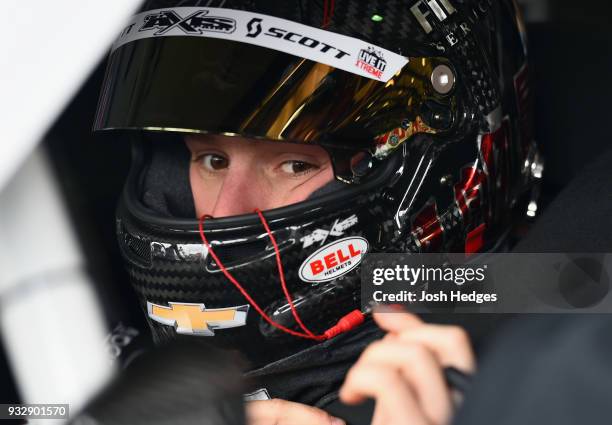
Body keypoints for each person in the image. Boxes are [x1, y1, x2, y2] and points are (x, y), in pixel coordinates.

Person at [93, 0, 538, 423]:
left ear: (442, 161)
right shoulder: (89, 343)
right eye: (213, 160)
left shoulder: (566, 324)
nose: (222, 213)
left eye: (295, 164)